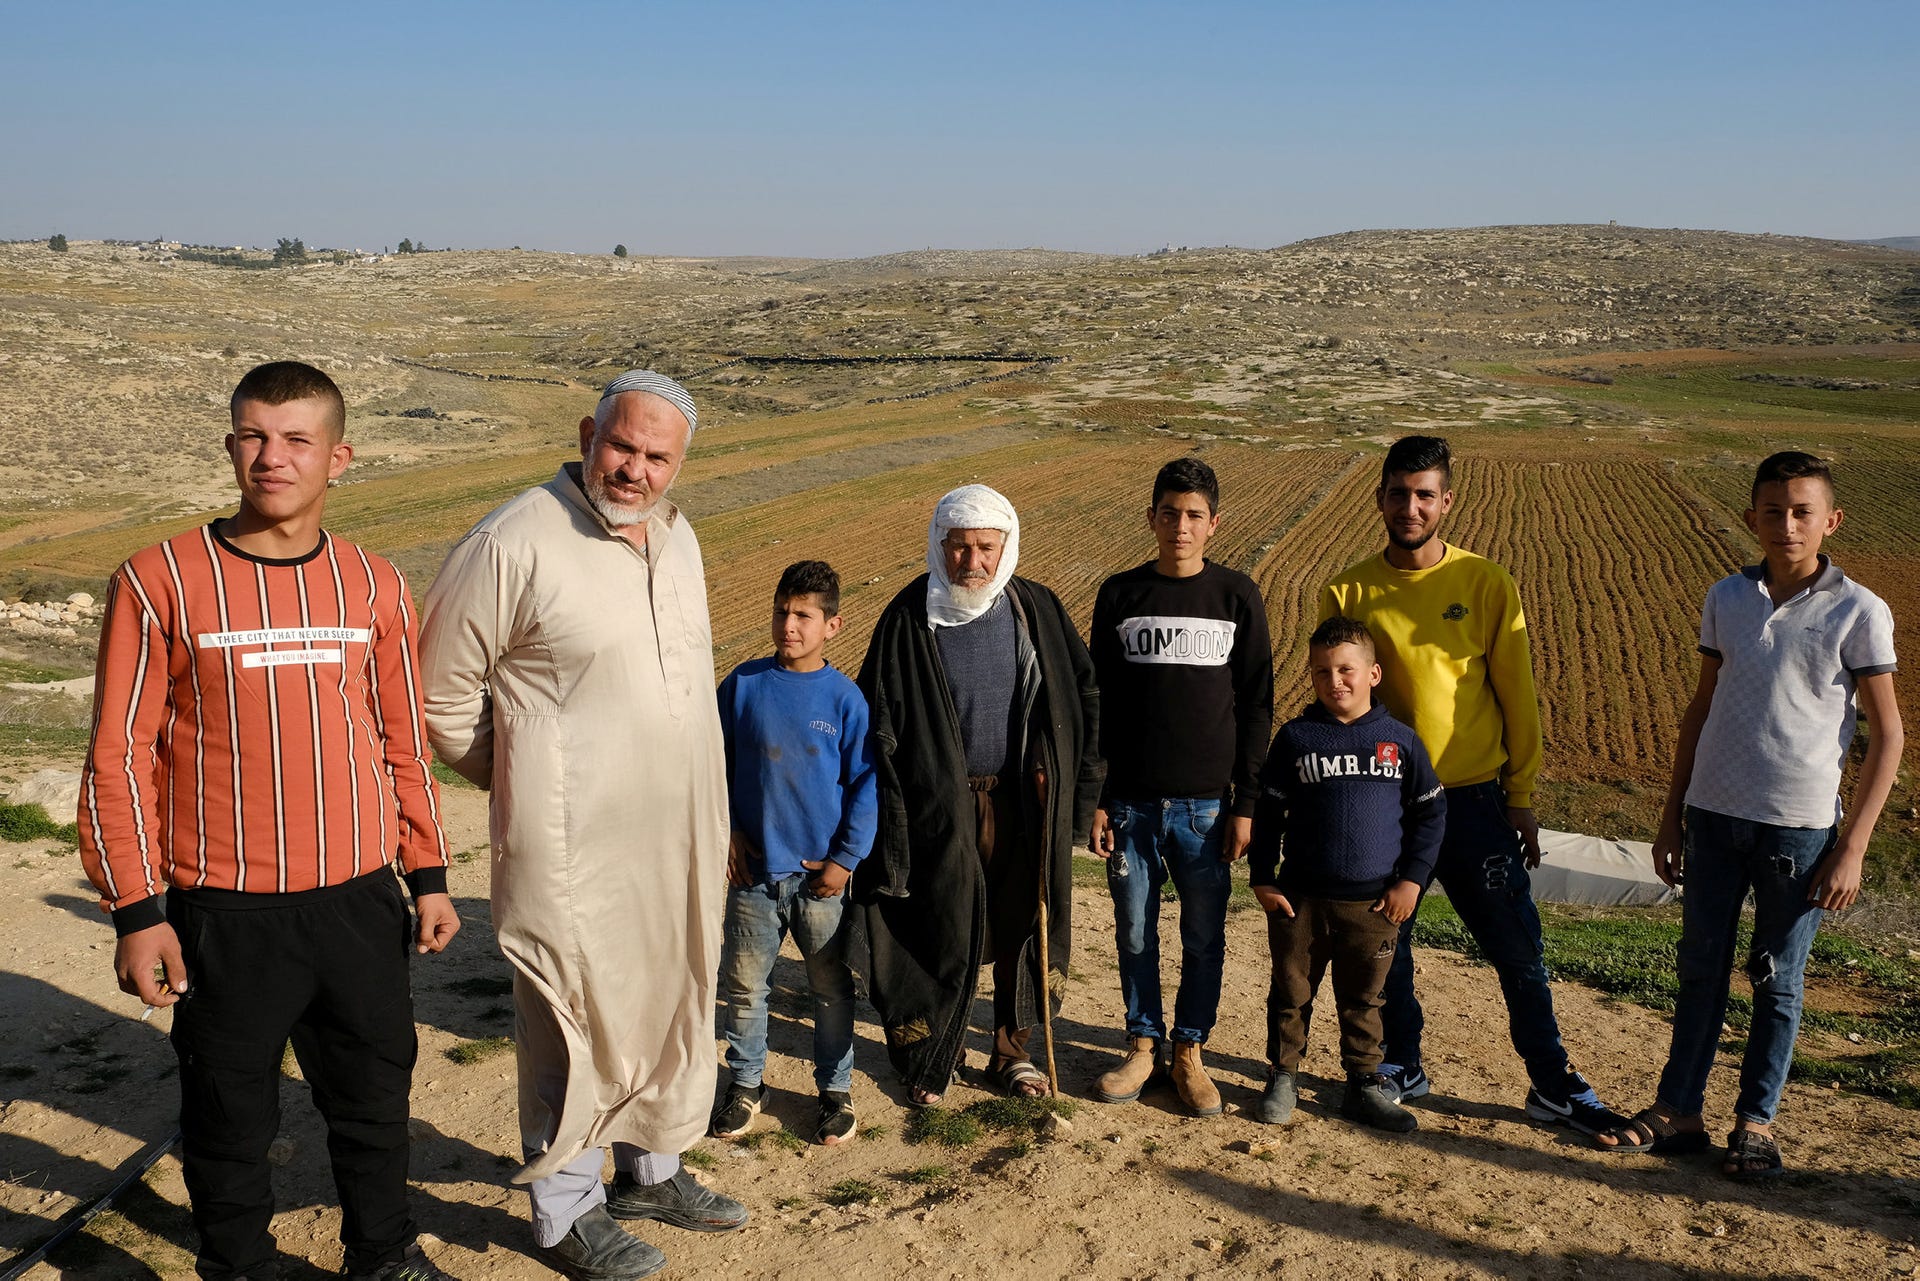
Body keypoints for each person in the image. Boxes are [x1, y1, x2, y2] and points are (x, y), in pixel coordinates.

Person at [77, 361, 459, 1281]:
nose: (271, 457)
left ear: (339, 457)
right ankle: (237, 1264)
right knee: (227, 1114)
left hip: (359, 902)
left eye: (296, 439)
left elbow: (401, 739)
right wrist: (136, 909)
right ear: (229, 445)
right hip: (223, 908)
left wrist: (429, 872)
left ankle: (382, 1254)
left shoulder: (373, 585)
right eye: (252, 435)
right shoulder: (159, 577)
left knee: (373, 1098)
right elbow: (116, 756)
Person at [420, 371, 746, 1281]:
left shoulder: (678, 539)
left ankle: (652, 1168)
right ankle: (566, 1211)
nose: (634, 470)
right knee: (572, 1015)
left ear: (681, 464)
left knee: (670, 991)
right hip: (571, 848)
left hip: (675, 836)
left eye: (656, 457)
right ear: (586, 433)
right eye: (621, 446)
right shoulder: (513, 539)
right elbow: (438, 696)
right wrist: (529, 776)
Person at [1595, 451, 1901, 1178]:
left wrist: (1853, 845)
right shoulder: (1725, 597)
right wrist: (1672, 817)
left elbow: (1889, 733)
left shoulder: (1859, 609)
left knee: (1777, 978)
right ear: (1750, 519)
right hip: (1712, 816)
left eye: (1802, 511)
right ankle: (1679, 1110)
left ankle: (1756, 1123)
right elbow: (1699, 710)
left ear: (1831, 520)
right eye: (1773, 511)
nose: (1787, 525)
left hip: (1798, 830)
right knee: (1698, 968)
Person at [1319, 434, 1626, 1135]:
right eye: (1398, 493)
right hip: (1384, 801)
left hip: (1474, 802)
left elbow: (1518, 696)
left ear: (1447, 502)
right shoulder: (1348, 589)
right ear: (1380, 499)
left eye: (1424, 494)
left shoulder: (1487, 583)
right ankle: (1403, 1064)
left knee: (1517, 947)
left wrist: (1520, 794)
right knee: (1385, 948)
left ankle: (1553, 1081)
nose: (1410, 506)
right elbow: (1336, 700)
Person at [854, 485, 1103, 1105]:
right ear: (939, 546)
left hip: (1021, 802)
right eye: (959, 547)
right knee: (937, 922)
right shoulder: (908, 617)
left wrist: (1079, 790)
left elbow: (1080, 698)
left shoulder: (1035, 609)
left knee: (1022, 920)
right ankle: (927, 1056)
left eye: (985, 547)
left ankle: (1010, 1055)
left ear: (1006, 547)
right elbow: (875, 717)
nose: (971, 562)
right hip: (938, 809)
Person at [1088, 456, 1273, 1116]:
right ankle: (1143, 1045)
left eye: (1195, 515)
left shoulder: (1236, 597)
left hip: (1206, 807)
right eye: (1170, 513)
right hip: (1132, 804)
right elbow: (1098, 701)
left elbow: (1257, 705)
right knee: (1134, 930)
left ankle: (1190, 1052)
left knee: (1203, 936)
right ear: (1152, 518)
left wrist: (1245, 804)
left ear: (1214, 523)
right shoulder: (1121, 594)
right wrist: (1099, 795)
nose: (1181, 526)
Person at [1247, 616, 1445, 1134]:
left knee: (1365, 999)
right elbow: (1268, 814)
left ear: (1374, 673)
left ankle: (1363, 1082)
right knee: (1291, 992)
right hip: (1301, 900)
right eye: (1321, 672)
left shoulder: (1400, 741)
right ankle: (1283, 1075)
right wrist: (1263, 877)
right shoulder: (1295, 738)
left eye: (1346, 670)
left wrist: (1412, 881)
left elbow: (1430, 814)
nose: (1335, 681)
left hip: (1376, 904)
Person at [710, 560, 876, 1146]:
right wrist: (727, 831)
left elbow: (865, 785)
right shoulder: (742, 686)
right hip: (753, 876)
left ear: (833, 625)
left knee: (829, 989)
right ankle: (746, 1085)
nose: (789, 624)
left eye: (804, 615)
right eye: (782, 611)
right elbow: (711, 767)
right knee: (743, 985)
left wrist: (845, 860)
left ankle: (835, 1091)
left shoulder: (845, 700)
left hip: (820, 882)